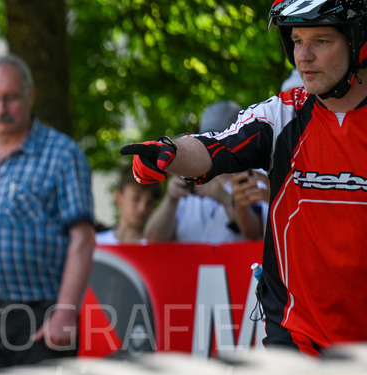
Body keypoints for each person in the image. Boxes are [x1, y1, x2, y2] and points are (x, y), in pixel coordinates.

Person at [121, 0, 367, 355]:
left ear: (358, 41)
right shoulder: (283, 115)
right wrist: (168, 152)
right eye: (297, 41)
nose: (304, 56)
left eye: (322, 41)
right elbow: (215, 146)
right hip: (296, 337)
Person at [0, 54, 96, 375]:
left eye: (10, 98)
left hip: (40, 320)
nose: (0, 109)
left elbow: (82, 239)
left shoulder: (63, 154)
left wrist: (66, 313)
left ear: (30, 94)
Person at [143, 101, 266, 243]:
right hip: (188, 264)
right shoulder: (189, 177)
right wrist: (171, 199)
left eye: (221, 137)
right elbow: (153, 239)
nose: (213, 144)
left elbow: (256, 233)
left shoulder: (256, 176)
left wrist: (224, 198)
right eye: (206, 138)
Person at [95, 166, 162, 245]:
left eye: (150, 203)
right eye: (136, 199)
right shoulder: (96, 242)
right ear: (117, 196)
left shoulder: (154, 245)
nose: (142, 208)